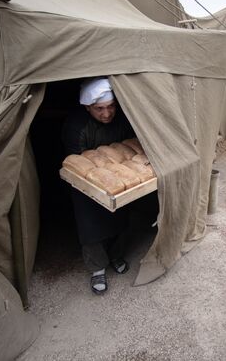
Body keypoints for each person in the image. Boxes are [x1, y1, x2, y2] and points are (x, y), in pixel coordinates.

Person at [62, 77, 135, 295]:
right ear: (87, 107)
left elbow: (129, 147)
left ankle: (115, 254)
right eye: (99, 109)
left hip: (118, 180)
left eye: (111, 106)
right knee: (92, 225)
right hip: (86, 183)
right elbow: (75, 161)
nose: (106, 114)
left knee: (120, 217)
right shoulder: (76, 126)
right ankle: (97, 268)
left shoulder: (121, 119)